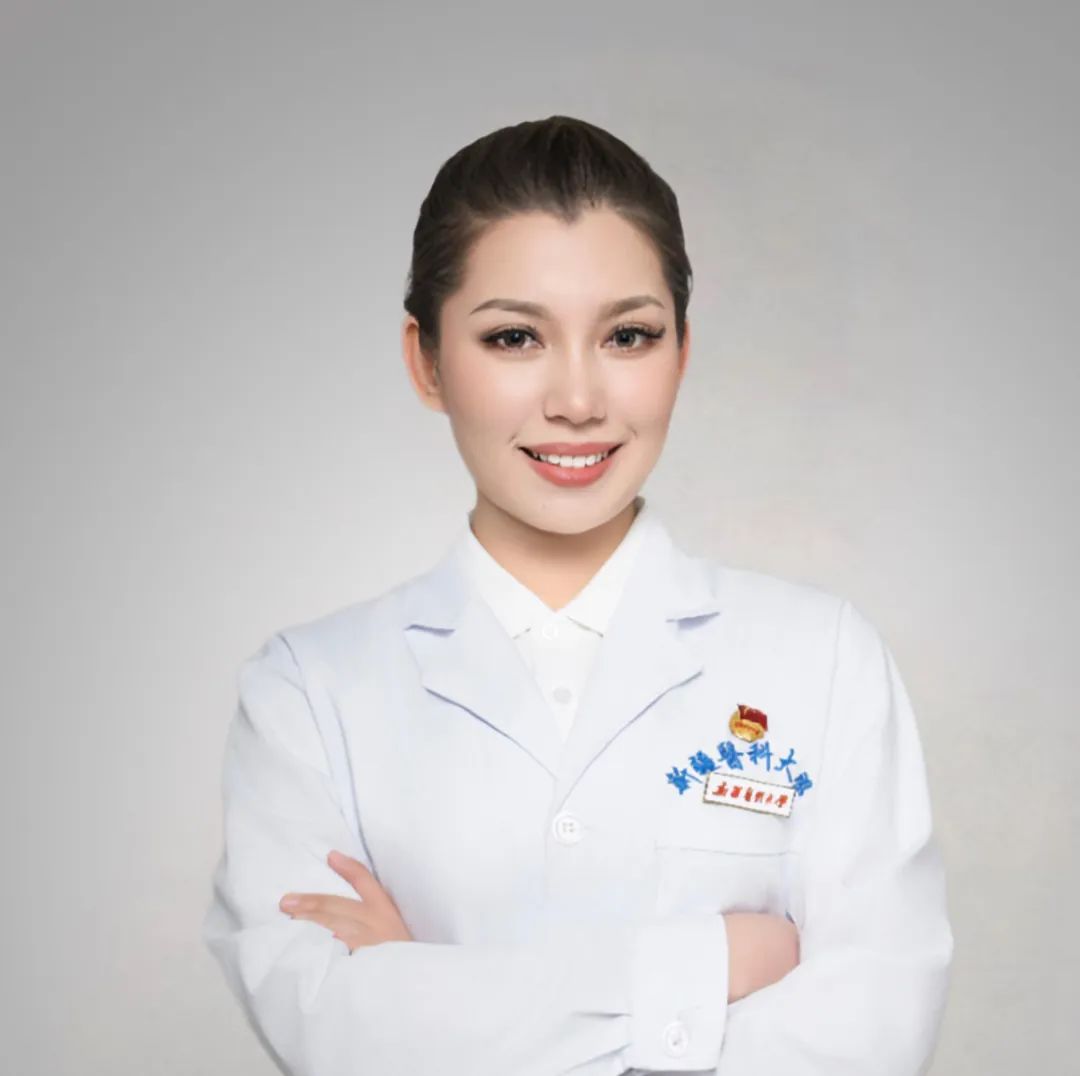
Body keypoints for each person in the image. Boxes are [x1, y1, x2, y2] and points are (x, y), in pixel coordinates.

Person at [202, 115, 953, 1076]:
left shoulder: (824, 660)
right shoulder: (309, 693)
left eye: (627, 336)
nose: (578, 400)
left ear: (682, 352)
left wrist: (421, 986)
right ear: (426, 361)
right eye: (514, 337)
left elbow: (870, 1037)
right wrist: (709, 966)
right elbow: (337, 1035)